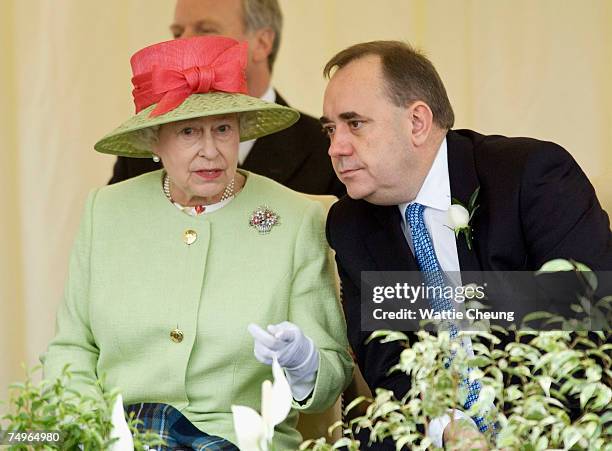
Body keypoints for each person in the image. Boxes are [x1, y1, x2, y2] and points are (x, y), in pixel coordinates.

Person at [42, 36, 352, 450]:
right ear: (154, 139)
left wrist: (305, 364)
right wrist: (93, 434)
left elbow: (332, 376)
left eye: (223, 129)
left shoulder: (297, 220)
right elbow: (71, 348)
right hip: (118, 436)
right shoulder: (107, 211)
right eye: (189, 131)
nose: (211, 151)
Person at [321, 40, 612, 449]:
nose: (336, 147)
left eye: (355, 124)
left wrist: (518, 428)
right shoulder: (351, 223)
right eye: (331, 129)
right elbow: (385, 362)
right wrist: (447, 426)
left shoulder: (531, 177)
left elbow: (587, 318)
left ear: (417, 122)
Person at [109, 0, 345, 197]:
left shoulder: (327, 148)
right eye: (178, 32)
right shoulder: (145, 146)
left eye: (206, 29)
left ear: (262, 43)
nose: (184, 42)